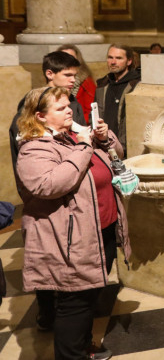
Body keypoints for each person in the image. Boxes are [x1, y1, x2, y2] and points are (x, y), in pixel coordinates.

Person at [16, 86, 131, 360]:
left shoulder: (73, 135)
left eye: (68, 105)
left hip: (100, 229)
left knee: (89, 296)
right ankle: (71, 354)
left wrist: (104, 137)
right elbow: (49, 185)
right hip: (71, 238)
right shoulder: (34, 148)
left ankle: (83, 346)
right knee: (74, 302)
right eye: (60, 108)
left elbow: (117, 153)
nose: (69, 110)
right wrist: (85, 146)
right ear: (40, 116)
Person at [95, 44, 141, 153]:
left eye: (119, 58)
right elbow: (95, 113)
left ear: (129, 61)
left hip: (125, 148)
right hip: (103, 145)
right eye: (110, 57)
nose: (113, 62)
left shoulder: (136, 85)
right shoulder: (103, 84)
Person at [58, 45, 97, 124]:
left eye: (71, 57)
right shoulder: (56, 81)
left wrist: (74, 122)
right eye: (63, 57)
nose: (67, 61)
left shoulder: (86, 82)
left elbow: (91, 112)